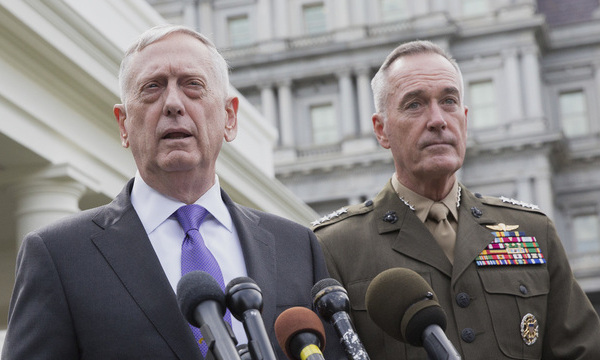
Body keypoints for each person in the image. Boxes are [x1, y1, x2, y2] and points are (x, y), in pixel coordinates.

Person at [2, 24, 344, 360]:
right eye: (152, 88)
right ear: (123, 125)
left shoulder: (296, 246)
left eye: (192, 85)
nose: (173, 104)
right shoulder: (59, 255)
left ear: (229, 118)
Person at [312, 40, 600, 359]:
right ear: (382, 130)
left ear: (464, 118)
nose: (438, 119)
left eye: (448, 101)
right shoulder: (334, 248)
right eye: (415, 104)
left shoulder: (531, 232)